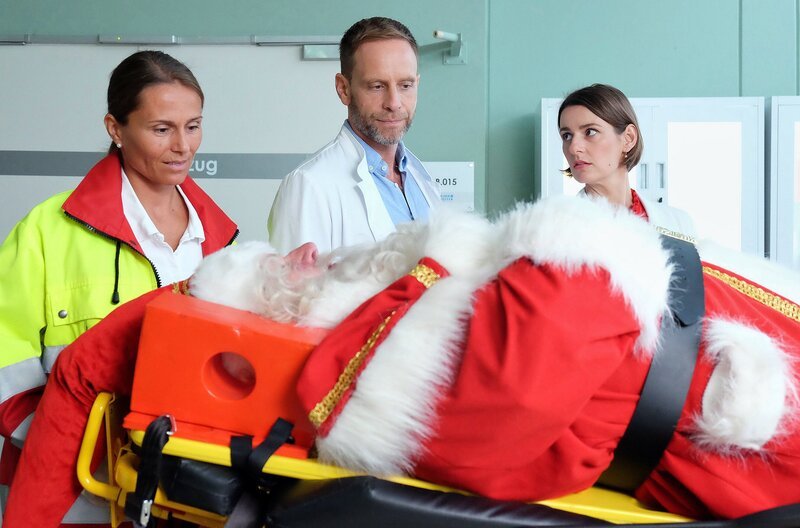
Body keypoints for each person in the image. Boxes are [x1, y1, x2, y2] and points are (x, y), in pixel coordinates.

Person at [6, 196, 800, 525]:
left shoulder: (417, 300)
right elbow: (516, 399)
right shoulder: (394, 377)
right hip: (736, 421)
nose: (310, 250)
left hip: (733, 331)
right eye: (292, 268)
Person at [0, 50, 238, 525]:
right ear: (115, 128)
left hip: (183, 492)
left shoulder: (222, 241)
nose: (183, 146)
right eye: (161, 129)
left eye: (193, 126)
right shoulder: (47, 231)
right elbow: (7, 368)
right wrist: (85, 452)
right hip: (70, 496)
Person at [267, 16, 440, 254]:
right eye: (377, 86)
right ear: (344, 89)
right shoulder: (309, 185)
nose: (394, 103)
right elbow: (290, 290)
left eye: (405, 85)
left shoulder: (419, 179)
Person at [559, 83, 696, 236]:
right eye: (567, 136)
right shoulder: (557, 228)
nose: (573, 147)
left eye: (590, 132)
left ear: (628, 138)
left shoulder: (679, 223)